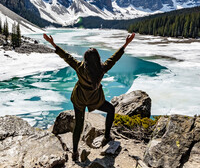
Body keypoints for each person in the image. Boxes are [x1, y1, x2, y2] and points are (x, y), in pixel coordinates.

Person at [43, 32, 135, 161]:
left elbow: (67, 57)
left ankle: (74, 152)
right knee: (110, 109)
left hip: (79, 99)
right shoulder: (102, 69)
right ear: (97, 59)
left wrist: (52, 43)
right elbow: (114, 58)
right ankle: (107, 136)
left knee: (79, 125)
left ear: (85, 60)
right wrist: (126, 44)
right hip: (95, 100)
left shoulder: (80, 67)